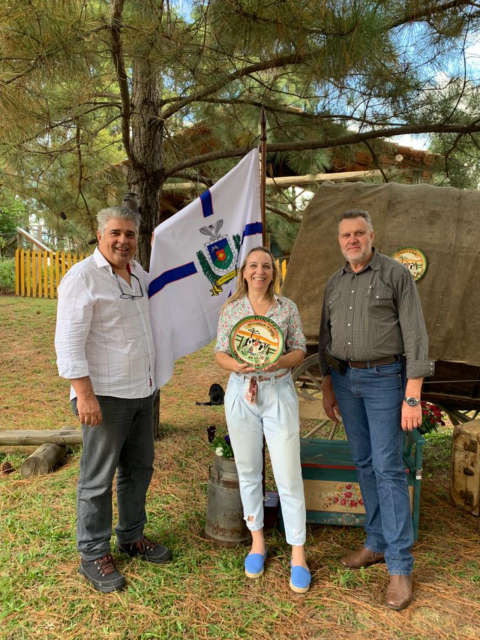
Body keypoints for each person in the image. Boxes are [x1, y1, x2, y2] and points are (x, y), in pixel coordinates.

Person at [319, 209, 434, 610]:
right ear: (339, 241)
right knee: (364, 463)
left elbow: (416, 332)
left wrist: (413, 391)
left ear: (372, 235)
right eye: (345, 234)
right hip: (346, 382)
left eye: (358, 233)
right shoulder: (334, 282)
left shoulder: (394, 274)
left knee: (388, 467)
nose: (352, 240)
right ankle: (376, 542)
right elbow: (325, 337)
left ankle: (401, 567)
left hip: (386, 379)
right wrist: (328, 383)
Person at [55, 206, 170, 593]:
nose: (123, 241)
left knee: (139, 470)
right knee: (97, 479)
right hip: (104, 396)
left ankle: (132, 536)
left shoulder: (139, 275)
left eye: (131, 235)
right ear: (100, 234)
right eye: (116, 233)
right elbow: (68, 343)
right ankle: (92, 553)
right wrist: (84, 396)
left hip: (141, 391)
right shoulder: (82, 278)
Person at [215, 246, 311, 594]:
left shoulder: (287, 309)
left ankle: (297, 553)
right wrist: (236, 366)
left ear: (274, 272)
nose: (260, 271)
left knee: (288, 473)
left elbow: (300, 349)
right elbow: (220, 352)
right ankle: (258, 541)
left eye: (266, 266)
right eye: (253, 266)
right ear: (243, 272)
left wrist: (280, 362)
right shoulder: (232, 310)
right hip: (242, 392)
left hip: (277, 390)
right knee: (248, 469)